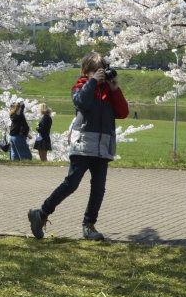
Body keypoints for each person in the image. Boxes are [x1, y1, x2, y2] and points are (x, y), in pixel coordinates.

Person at [28, 52, 129, 240]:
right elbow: (81, 102)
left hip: (103, 147)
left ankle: (89, 225)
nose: (102, 74)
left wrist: (115, 89)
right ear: (87, 72)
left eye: (104, 70)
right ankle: (41, 213)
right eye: (98, 71)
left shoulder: (109, 91)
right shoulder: (81, 87)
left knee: (99, 188)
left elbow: (123, 113)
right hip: (82, 145)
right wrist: (92, 83)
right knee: (71, 184)